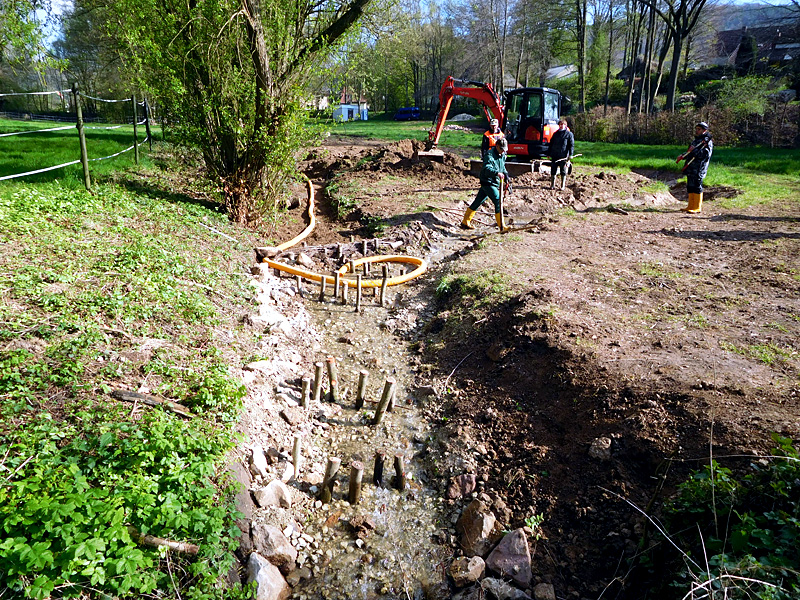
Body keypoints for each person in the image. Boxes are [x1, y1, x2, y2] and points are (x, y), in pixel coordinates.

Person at [462, 137, 510, 231]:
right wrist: (496, 173)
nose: (503, 151)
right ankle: (502, 226)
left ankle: (465, 221)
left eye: (504, 150)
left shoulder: (502, 155)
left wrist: (506, 175)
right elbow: (487, 169)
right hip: (488, 182)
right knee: (498, 201)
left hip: (494, 182)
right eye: (501, 149)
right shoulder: (489, 155)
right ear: (496, 146)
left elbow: (502, 167)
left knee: (478, 201)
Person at [677, 122, 713, 213]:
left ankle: (697, 207)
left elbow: (705, 155)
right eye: (696, 129)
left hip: (699, 167)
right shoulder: (695, 141)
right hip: (690, 166)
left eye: (699, 129)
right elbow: (690, 152)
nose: (697, 131)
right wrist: (683, 156)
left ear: (704, 130)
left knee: (697, 186)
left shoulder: (707, 142)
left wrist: (694, 151)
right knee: (690, 186)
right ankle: (690, 206)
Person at [548, 118, 574, 190]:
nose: (561, 126)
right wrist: (549, 153)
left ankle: (562, 186)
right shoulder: (555, 134)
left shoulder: (569, 134)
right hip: (555, 155)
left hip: (563, 156)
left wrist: (571, 154)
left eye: (563, 124)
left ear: (566, 126)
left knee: (563, 170)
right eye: (560, 124)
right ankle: (552, 185)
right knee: (553, 170)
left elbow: (571, 145)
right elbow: (551, 144)